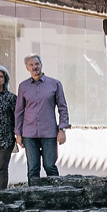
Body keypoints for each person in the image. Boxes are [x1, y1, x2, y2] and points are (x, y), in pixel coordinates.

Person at [14, 53, 70, 181]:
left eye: (37, 64)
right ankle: (34, 199)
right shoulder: (23, 86)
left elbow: (63, 108)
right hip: (29, 134)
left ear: (41, 65)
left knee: (50, 166)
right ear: (27, 68)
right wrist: (18, 133)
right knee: (33, 168)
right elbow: (19, 111)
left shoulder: (55, 84)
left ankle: (57, 196)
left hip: (49, 133)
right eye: (31, 65)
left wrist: (62, 129)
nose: (35, 67)